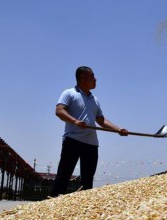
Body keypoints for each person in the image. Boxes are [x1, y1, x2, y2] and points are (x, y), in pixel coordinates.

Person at [50, 66, 128, 197]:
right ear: (82, 77)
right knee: (64, 173)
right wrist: (75, 121)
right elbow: (59, 111)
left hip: (91, 144)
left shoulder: (94, 99)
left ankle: (84, 206)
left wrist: (118, 129)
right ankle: (52, 201)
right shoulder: (69, 93)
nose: (95, 79)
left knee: (87, 179)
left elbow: (101, 120)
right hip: (73, 140)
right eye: (92, 76)